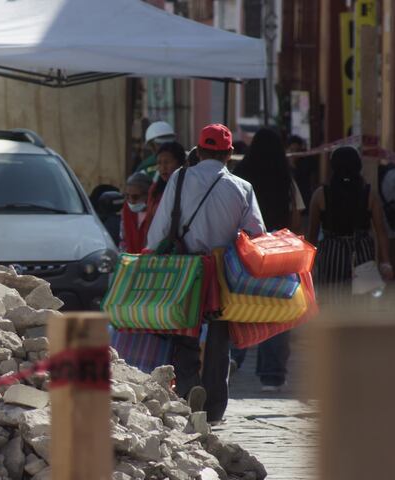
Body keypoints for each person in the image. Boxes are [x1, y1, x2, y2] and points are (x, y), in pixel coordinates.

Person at [146, 124, 266, 423]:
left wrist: (154, 252)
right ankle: (214, 407)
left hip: (185, 267)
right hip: (224, 271)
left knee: (182, 333)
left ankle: (188, 388)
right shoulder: (243, 187)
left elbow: (159, 230)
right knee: (219, 337)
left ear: (198, 152)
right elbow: (257, 235)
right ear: (229, 154)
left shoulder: (180, 177)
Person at [231, 128, 307, 391]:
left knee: (240, 305)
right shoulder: (286, 178)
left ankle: (233, 358)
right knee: (277, 310)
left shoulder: (239, 176)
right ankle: (272, 375)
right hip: (278, 252)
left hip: (245, 249)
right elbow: (296, 219)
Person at [307, 146, 394, 299]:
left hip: (331, 257)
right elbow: (381, 232)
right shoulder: (369, 194)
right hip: (363, 255)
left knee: (332, 302)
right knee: (363, 305)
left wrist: (309, 265)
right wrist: (385, 262)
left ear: (333, 166)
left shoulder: (321, 195)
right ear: (358, 166)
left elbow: (312, 234)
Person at [120, 171, 153, 254]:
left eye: (135, 197)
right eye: (127, 196)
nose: (131, 201)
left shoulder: (156, 211)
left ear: (148, 194)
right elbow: (123, 239)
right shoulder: (126, 210)